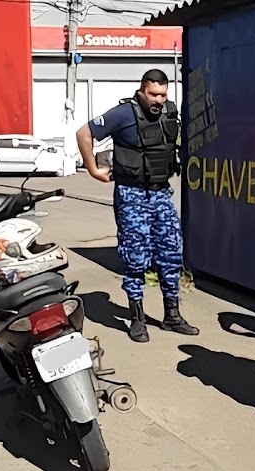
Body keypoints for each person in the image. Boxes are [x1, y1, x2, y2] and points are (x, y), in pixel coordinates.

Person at [76, 69, 199, 343]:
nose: (158, 100)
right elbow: (84, 133)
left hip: (160, 194)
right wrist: (94, 169)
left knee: (171, 253)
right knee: (135, 258)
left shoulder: (169, 111)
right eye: (153, 94)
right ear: (142, 91)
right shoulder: (123, 114)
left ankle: (172, 316)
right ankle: (137, 318)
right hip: (131, 194)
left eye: (163, 94)